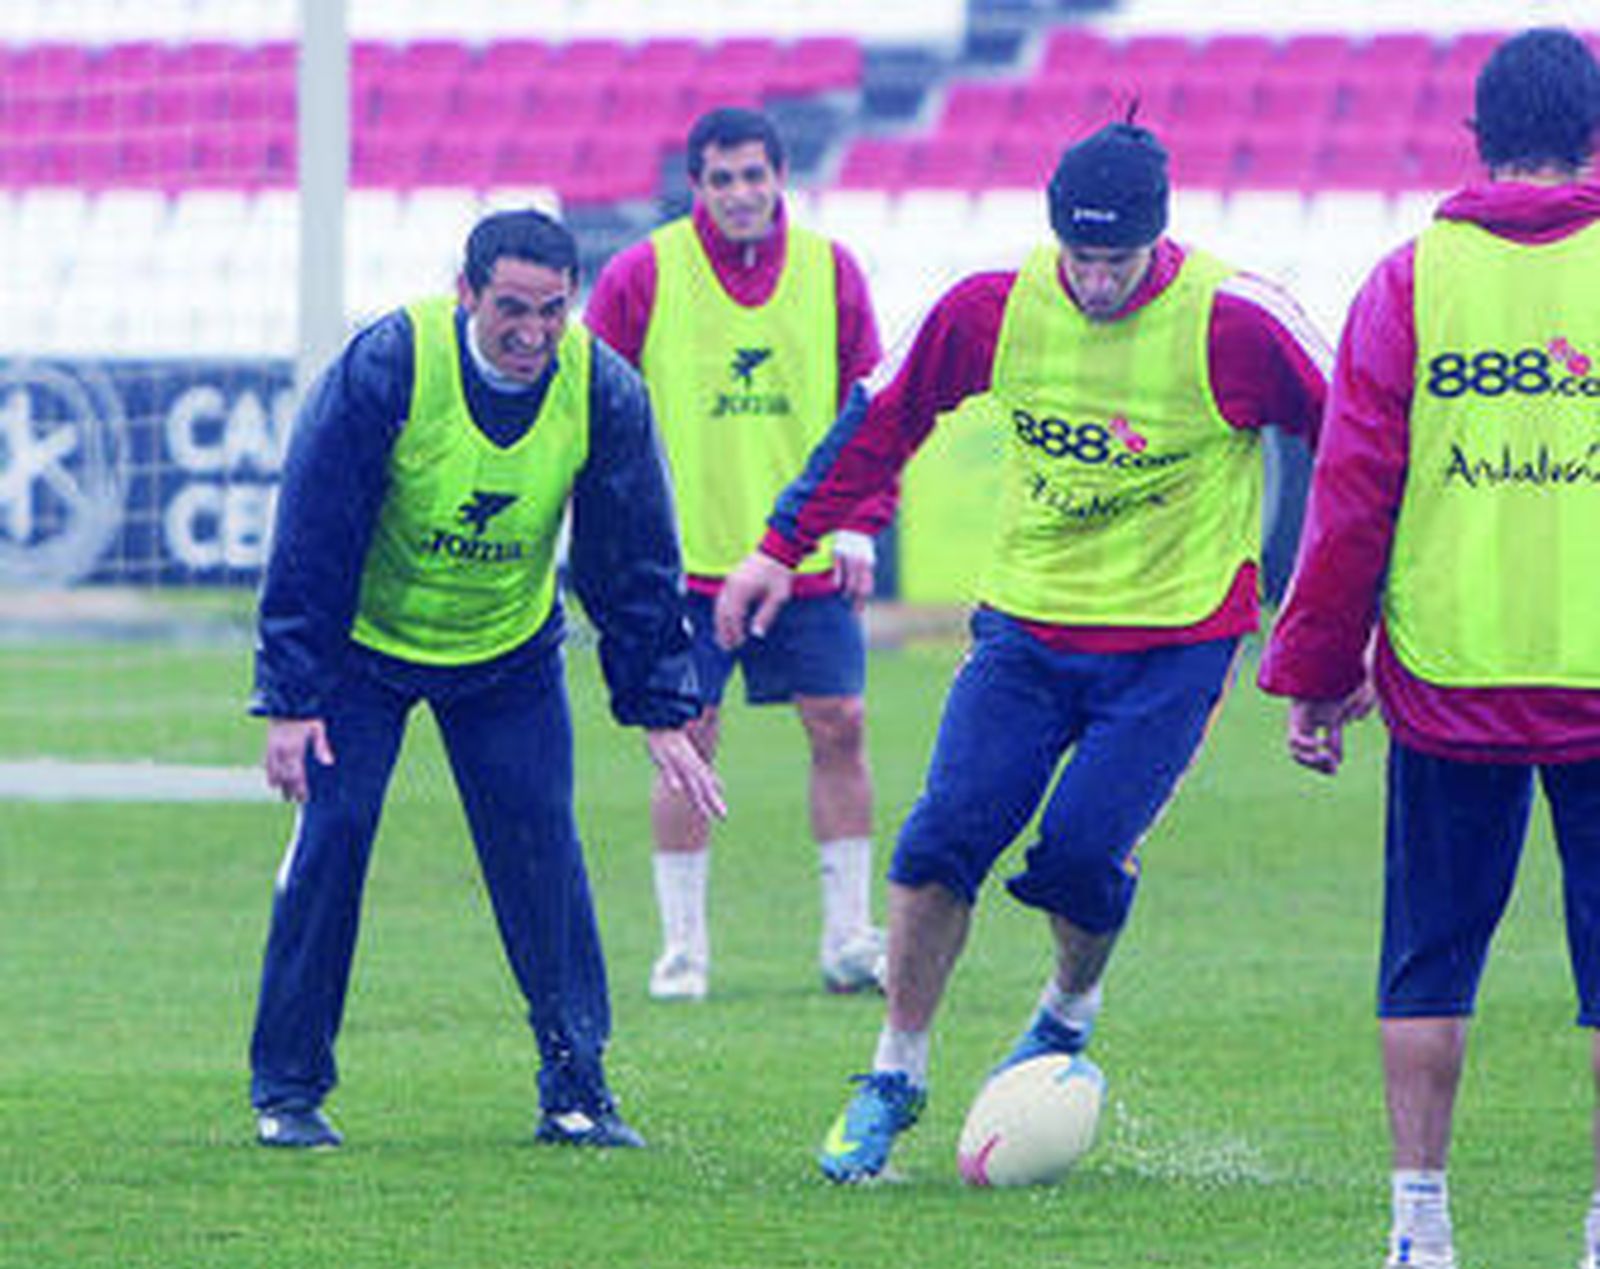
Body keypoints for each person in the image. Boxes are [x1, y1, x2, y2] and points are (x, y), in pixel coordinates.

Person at [716, 121, 1330, 1182]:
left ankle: (1066, 1011)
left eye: (1116, 260)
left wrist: (1338, 625)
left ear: (1158, 238)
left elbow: (1361, 433)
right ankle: (894, 1072)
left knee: (1083, 854)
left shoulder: (1235, 321)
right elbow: (882, 414)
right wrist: (781, 546)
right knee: (943, 833)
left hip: (1174, 645)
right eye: (1078, 257)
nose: (1093, 282)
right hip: (1025, 634)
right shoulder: (993, 308)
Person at [248, 208, 724, 1151]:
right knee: (333, 839)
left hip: (505, 656)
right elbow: (311, 530)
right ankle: (288, 1090)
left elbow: (633, 559)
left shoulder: (602, 389)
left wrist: (660, 706)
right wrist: (293, 698)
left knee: (543, 859)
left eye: (553, 310)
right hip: (363, 655)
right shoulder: (389, 364)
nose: (532, 333)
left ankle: (576, 1090)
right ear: (465, 291)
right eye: (510, 307)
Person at [1259, 27, 1600, 1269]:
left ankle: (1416, 1246)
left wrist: (1318, 668)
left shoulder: (1411, 280)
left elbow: (1350, 493)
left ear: (1475, 137)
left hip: (1451, 676)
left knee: (1429, 961)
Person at [586, 106, 889, 1002]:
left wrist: (858, 521)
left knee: (842, 723)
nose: (741, 193)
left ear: (780, 175)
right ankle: (684, 949)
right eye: (722, 178)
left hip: (801, 558)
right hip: (682, 564)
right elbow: (592, 405)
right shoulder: (644, 272)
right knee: (689, 740)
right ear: (696, 186)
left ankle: (847, 938)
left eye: (755, 175)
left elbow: (875, 407)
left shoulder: (831, 270)